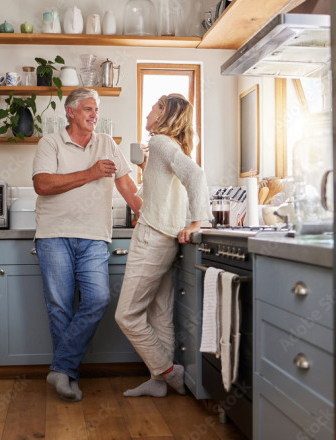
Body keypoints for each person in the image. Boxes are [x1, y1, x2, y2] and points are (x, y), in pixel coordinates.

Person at [32, 87, 142, 402]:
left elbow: (126, 184)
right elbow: (42, 184)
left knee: (97, 299)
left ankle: (61, 368)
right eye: (88, 109)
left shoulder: (107, 143)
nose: (95, 115)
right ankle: (69, 377)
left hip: (94, 236)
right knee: (60, 308)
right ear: (71, 111)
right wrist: (91, 172)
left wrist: (143, 212)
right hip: (54, 234)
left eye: (96, 110)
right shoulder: (50, 143)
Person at [115, 93, 212, 397]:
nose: (149, 111)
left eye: (155, 107)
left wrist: (198, 220)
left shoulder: (159, 142)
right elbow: (165, 192)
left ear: (164, 116)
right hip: (165, 237)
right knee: (159, 312)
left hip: (153, 238)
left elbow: (196, 174)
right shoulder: (166, 147)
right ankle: (158, 383)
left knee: (126, 315)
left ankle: (168, 371)